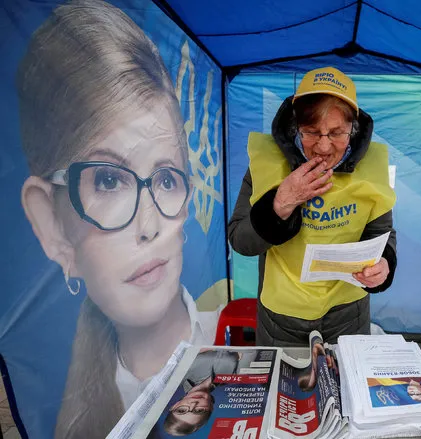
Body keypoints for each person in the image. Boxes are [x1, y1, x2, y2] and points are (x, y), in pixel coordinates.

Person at [17, 1, 220, 438]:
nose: (149, 226)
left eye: (167, 179)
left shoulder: (227, 338)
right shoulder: (74, 412)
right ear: (52, 224)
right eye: (108, 180)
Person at [228, 66, 397, 347]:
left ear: (353, 130)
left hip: (348, 314)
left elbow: (383, 234)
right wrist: (281, 202)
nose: (323, 147)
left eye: (336, 133)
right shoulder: (267, 164)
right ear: (295, 127)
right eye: (311, 132)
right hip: (282, 318)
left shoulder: (370, 167)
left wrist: (384, 265)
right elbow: (240, 240)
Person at [163, 350, 241, 436]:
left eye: (181, 410)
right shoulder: (233, 378)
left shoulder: (177, 374)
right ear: (210, 408)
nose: (193, 404)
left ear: (175, 405)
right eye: (199, 410)